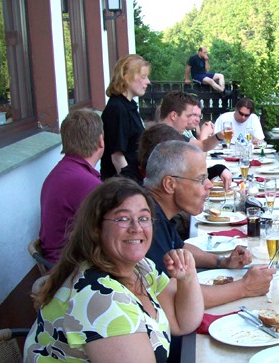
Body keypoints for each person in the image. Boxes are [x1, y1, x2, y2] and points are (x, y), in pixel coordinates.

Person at [11, 178, 238, 363]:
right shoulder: (100, 297)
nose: (136, 228)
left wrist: (187, 278)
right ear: (96, 229)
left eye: (143, 218)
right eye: (122, 219)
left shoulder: (138, 268)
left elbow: (183, 321)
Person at [144, 140, 275, 307]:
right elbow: (174, 296)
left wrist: (222, 262)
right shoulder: (145, 224)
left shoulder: (155, 209)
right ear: (170, 184)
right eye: (201, 179)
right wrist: (245, 287)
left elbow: (179, 248)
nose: (210, 185)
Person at [39, 109, 103, 263]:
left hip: (58, 259)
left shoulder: (62, 171)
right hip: (71, 266)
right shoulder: (87, 183)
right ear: (100, 141)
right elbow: (108, 235)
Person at [158, 91, 232, 189]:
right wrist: (217, 170)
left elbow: (202, 146)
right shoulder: (165, 138)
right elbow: (196, 164)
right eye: (188, 116)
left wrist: (219, 135)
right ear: (174, 115)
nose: (189, 121)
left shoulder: (170, 134)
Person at [101, 54, 151, 183]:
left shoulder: (129, 105)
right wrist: (133, 189)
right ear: (126, 77)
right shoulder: (117, 109)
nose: (148, 82)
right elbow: (117, 157)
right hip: (121, 185)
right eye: (143, 77)